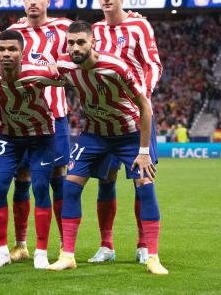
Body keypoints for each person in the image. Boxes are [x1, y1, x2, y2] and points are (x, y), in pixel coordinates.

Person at [48, 20, 168, 275]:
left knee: (145, 188)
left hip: (128, 134)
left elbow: (145, 107)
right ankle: (68, 254)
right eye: (71, 43)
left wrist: (144, 151)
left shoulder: (115, 67)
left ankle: (153, 257)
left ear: (93, 42)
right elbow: (44, 73)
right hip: (94, 135)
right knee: (70, 186)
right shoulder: (65, 65)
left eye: (81, 42)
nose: (75, 47)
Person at [89, 0, 162, 265]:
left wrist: (141, 95)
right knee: (105, 180)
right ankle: (106, 246)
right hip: (104, 118)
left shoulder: (139, 26)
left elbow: (153, 63)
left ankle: (144, 245)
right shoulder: (93, 30)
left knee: (141, 179)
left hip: (136, 116)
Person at [0, 30, 62, 269]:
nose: (6, 54)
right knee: (0, 186)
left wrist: (61, 63)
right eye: (2, 49)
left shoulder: (39, 72)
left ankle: (41, 252)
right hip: (9, 136)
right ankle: (2, 251)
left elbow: (68, 76)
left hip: (41, 137)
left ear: (22, 53)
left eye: (12, 49)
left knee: (41, 188)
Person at [7, 0, 71, 262]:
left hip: (55, 116)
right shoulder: (13, 32)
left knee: (58, 178)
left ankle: (61, 243)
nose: (32, 2)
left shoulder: (64, 28)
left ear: (49, 1)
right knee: (21, 178)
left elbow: (87, 50)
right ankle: (21, 244)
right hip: (20, 119)